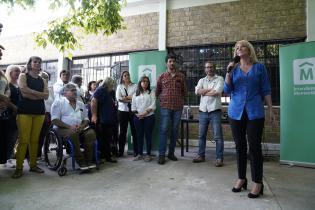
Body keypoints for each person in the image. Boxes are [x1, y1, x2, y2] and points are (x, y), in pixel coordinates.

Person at [224, 40, 275, 198]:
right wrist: (228, 73)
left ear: (249, 49)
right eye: (237, 48)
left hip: (254, 112)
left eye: (242, 46)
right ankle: (241, 178)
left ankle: (258, 182)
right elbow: (227, 90)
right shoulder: (233, 69)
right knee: (240, 147)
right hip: (235, 112)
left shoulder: (259, 67)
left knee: (254, 147)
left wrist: (271, 110)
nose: (239, 49)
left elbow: (266, 89)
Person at [12, 56, 48, 178]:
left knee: (35, 140)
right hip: (24, 112)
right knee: (23, 141)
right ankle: (19, 167)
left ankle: (33, 165)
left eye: (39, 62)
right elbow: (23, 91)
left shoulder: (43, 80)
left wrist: (31, 92)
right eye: (35, 62)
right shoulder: (23, 76)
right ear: (30, 63)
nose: (37, 64)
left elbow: (46, 96)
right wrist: (39, 95)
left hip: (40, 112)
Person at [51, 83, 97, 170]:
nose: (75, 92)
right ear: (65, 93)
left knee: (91, 133)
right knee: (73, 133)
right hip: (62, 129)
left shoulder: (80, 104)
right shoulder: (58, 103)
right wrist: (69, 127)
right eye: (72, 90)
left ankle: (88, 160)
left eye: (75, 90)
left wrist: (82, 126)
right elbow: (54, 120)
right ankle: (81, 161)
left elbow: (86, 119)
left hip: (79, 128)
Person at [156, 54, 187, 164]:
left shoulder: (181, 76)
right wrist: (162, 100)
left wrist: (182, 103)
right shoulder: (161, 76)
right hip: (165, 107)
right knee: (164, 130)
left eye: (173, 61)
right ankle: (161, 155)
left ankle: (171, 153)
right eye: (170, 61)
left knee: (174, 131)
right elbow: (157, 91)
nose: (172, 63)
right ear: (166, 63)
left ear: (175, 63)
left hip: (178, 107)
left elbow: (184, 92)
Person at [193, 62, 224, 167]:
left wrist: (203, 92)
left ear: (214, 68)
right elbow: (197, 92)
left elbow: (217, 92)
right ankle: (201, 155)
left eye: (211, 67)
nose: (209, 69)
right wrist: (210, 90)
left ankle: (219, 158)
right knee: (201, 135)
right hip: (203, 111)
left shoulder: (219, 79)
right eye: (207, 67)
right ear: (205, 69)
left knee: (217, 136)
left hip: (215, 111)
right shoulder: (201, 80)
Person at [91, 77, 118, 163]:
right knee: (102, 139)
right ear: (108, 85)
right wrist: (94, 115)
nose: (113, 87)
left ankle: (107, 156)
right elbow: (93, 101)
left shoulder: (110, 92)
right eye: (112, 85)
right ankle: (101, 156)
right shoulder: (101, 90)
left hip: (109, 120)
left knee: (108, 138)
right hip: (102, 120)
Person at [131, 76, 156, 162]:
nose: (145, 83)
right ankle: (140, 154)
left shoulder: (151, 92)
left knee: (148, 136)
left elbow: (153, 105)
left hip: (149, 117)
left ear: (148, 83)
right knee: (139, 136)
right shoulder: (135, 94)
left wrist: (145, 113)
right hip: (137, 118)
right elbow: (133, 106)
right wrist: (138, 115)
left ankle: (148, 154)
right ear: (140, 83)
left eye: (146, 81)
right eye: (143, 81)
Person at [116, 70, 138, 157]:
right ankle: (121, 151)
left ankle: (136, 151)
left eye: (128, 75)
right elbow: (118, 98)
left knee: (134, 131)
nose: (127, 76)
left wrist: (125, 97)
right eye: (125, 75)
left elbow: (136, 97)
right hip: (122, 111)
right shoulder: (119, 86)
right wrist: (129, 98)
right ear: (122, 77)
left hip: (132, 111)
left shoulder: (135, 86)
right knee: (122, 132)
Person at [4, 65, 21, 168]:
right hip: (9, 114)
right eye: (16, 71)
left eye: (19, 71)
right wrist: (14, 107)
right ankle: (6, 159)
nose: (18, 73)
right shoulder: (8, 84)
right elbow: (6, 100)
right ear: (10, 72)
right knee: (9, 137)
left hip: (19, 114)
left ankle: (9, 156)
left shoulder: (19, 84)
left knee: (14, 137)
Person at [37, 71, 54, 159]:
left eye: (46, 78)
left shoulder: (50, 88)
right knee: (38, 135)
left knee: (45, 134)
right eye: (42, 78)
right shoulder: (36, 88)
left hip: (48, 114)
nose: (44, 80)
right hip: (39, 113)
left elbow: (53, 101)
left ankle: (44, 151)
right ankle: (37, 154)